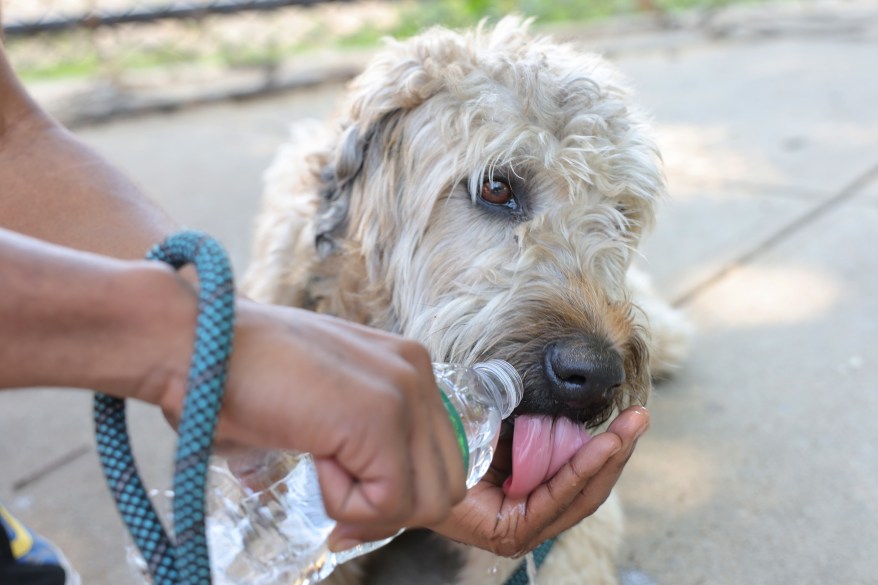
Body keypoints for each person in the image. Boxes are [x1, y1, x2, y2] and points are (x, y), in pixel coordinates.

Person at [0, 13, 649, 585]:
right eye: (499, 192)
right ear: (358, 185)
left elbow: (15, 137)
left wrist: (200, 331)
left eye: (615, 219)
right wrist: (193, 343)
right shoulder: (306, 274)